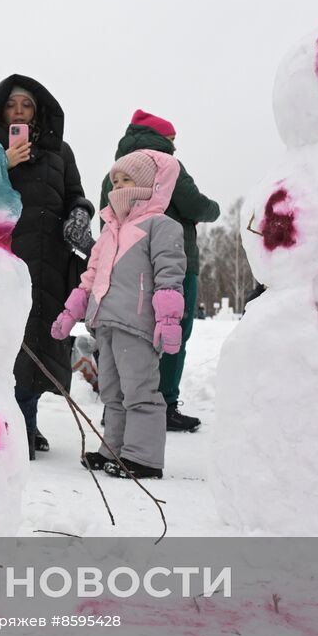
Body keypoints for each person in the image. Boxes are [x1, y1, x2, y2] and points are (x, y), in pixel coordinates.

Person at [52, 150, 186, 479]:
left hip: (137, 324)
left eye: (128, 179)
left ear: (148, 184)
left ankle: (143, 457)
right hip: (106, 323)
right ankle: (114, 448)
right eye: (116, 180)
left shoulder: (161, 225)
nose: (120, 186)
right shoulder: (110, 232)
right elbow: (90, 277)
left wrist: (168, 320)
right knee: (112, 392)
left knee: (140, 390)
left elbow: (170, 275)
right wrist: (72, 312)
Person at [0, 74, 95, 460]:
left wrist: (79, 216)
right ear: (1, 110)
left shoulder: (60, 152)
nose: (19, 111)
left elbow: (76, 196)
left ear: (39, 110)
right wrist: (2, 164)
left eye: (26, 105)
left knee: (42, 340)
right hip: (4, 261)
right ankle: (13, 428)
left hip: (49, 259)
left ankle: (26, 421)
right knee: (8, 345)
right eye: (12, 105)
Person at [98, 111, 220, 432]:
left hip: (124, 268)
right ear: (163, 139)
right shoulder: (167, 167)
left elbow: (106, 221)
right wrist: (211, 210)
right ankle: (164, 405)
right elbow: (198, 206)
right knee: (172, 333)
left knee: (129, 334)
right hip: (174, 264)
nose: (174, 148)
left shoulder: (115, 173)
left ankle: (120, 407)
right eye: (172, 141)